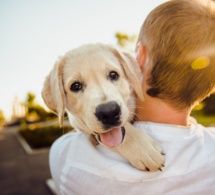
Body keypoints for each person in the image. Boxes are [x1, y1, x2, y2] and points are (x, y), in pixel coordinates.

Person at [49, 0, 215, 194]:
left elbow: (75, 132)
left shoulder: (68, 157)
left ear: (139, 57)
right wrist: (127, 137)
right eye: (76, 86)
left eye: (113, 75)